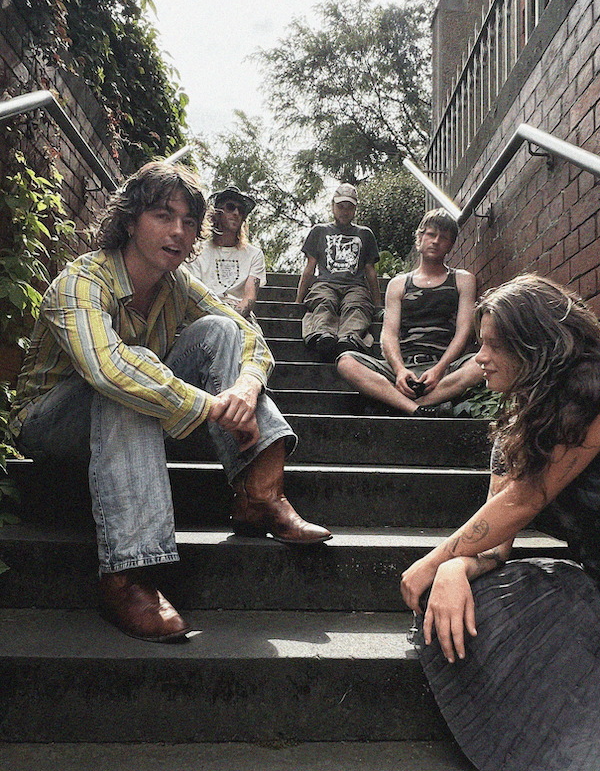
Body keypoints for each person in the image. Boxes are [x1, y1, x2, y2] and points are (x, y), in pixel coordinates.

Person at [401, 273, 600, 771]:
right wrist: (457, 569)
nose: (477, 358)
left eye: (491, 345)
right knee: (483, 596)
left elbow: (526, 501)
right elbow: (496, 540)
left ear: (536, 345)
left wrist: (433, 559)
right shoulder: (512, 435)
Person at [11, 161, 331, 645]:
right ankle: (127, 574)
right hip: (50, 424)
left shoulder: (178, 286)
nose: (178, 232)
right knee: (131, 372)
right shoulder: (81, 283)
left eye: (188, 221)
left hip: (135, 418)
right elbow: (109, 370)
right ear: (130, 219)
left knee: (222, 329)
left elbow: (249, 335)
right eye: (164, 215)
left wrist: (244, 387)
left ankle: (261, 495)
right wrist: (208, 406)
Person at [336, 208, 483, 415]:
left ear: (450, 246)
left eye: (444, 237)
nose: (436, 241)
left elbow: (464, 331)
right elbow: (389, 334)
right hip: (403, 366)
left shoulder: (463, 279)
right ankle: (418, 408)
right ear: (420, 237)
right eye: (431, 234)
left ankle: (405, 402)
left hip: (445, 368)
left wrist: (439, 369)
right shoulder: (398, 284)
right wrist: (399, 371)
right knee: (346, 362)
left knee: (483, 363)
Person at [295, 182, 382, 362]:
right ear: (332, 207)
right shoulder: (320, 231)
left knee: (356, 306)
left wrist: (377, 306)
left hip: (355, 285)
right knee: (324, 301)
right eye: (340, 206)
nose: (344, 211)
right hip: (325, 283)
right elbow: (309, 268)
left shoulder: (364, 234)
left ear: (355, 210)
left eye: (349, 207)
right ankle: (323, 334)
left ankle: (349, 338)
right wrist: (298, 300)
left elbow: (370, 271)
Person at [186, 184, 266, 324]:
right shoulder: (197, 251)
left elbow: (249, 298)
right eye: (230, 207)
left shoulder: (254, 255)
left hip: (241, 317)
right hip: (203, 314)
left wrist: (231, 321)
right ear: (216, 213)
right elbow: (194, 296)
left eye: (241, 210)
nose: (236, 213)